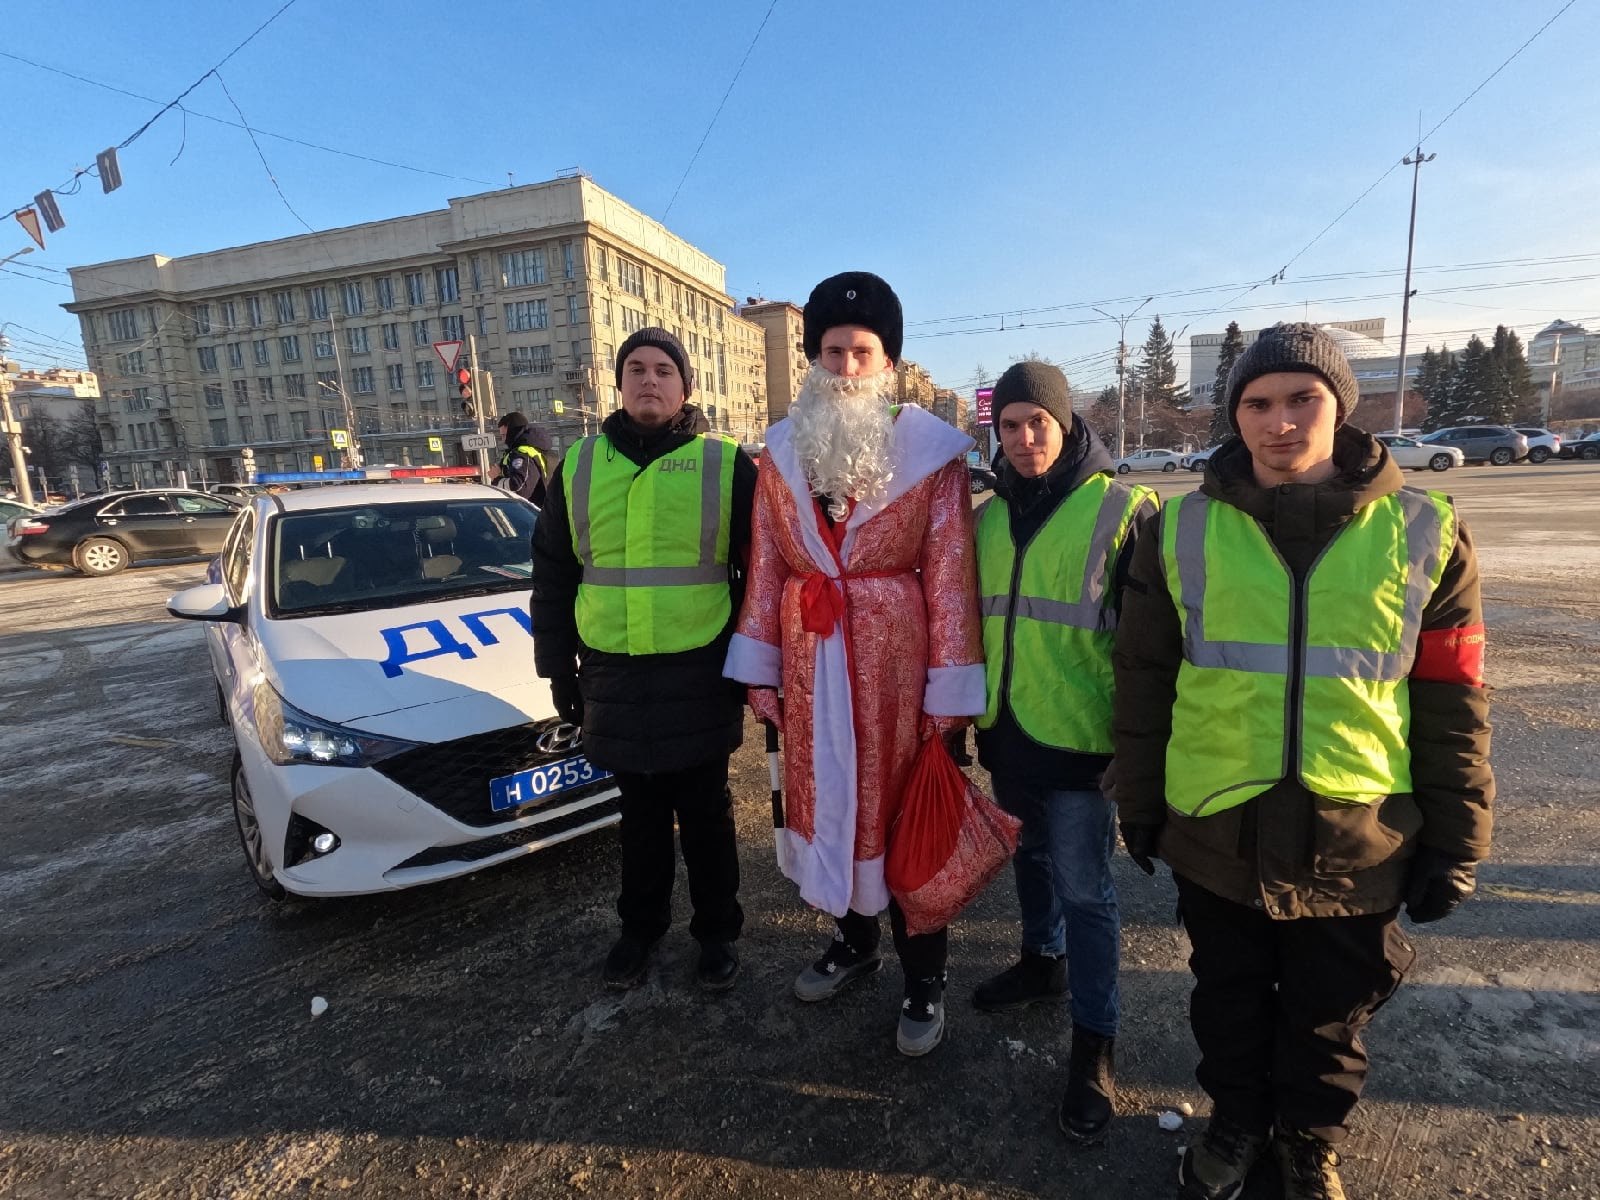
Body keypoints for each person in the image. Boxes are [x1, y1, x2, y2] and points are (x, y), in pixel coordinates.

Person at [1112, 323, 1493, 1200]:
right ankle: (1237, 1124)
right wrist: (1138, 804)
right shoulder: (1179, 530)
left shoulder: (1424, 530)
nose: (1279, 422)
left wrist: (1459, 835)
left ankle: (1309, 1141)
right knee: (1229, 997)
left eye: (1301, 399)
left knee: (1331, 1012)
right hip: (1218, 821)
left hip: (1357, 829)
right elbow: (1141, 682)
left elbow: (1453, 702)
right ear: (1234, 415)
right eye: (1257, 403)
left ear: (1340, 407)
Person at [724, 271, 984, 1056]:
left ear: (888, 363)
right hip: (808, 663)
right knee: (828, 800)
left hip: (896, 672)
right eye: (832, 351)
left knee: (902, 814)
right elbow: (767, 564)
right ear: (813, 360)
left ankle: (924, 976)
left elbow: (948, 578)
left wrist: (947, 694)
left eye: (861, 351)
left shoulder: (932, 457)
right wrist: (762, 669)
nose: (844, 366)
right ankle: (852, 938)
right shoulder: (780, 453)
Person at [531, 328, 758, 993]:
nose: (649, 380)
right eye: (636, 368)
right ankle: (640, 929)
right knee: (639, 817)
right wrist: (557, 669)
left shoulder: (727, 463)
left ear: (686, 385)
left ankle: (717, 934)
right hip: (613, 674)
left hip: (699, 670)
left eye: (663, 369)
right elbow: (553, 576)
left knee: (709, 815)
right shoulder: (578, 465)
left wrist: (752, 660)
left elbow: (763, 573)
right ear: (619, 383)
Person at [971, 360, 1156, 1143]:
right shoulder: (984, 517)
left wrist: (1141, 747)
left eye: (1035, 423)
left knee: (1087, 890)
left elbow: (1154, 646)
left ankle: (1095, 1042)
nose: (1021, 439)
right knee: (1030, 861)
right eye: (1008, 425)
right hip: (1011, 734)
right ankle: (1039, 960)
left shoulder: (1124, 510)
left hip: (1085, 745)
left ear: (1065, 422)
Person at [495, 411, 551, 506]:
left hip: (531, 514)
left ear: (513, 432)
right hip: (537, 512)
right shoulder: (532, 449)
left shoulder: (522, 453)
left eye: (504, 435)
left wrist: (496, 479)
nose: (503, 440)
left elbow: (519, 489)